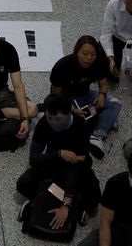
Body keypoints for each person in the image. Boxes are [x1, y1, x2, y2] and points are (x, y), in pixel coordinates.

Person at [16, 94, 101, 229]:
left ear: (68, 114)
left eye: (58, 119)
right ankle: (39, 200)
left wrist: (66, 205)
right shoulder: (44, 124)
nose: (53, 121)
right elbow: (34, 159)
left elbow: (77, 163)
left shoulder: (80, 125)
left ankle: (74, 205)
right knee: (23, 183)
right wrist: (60, 153)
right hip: (54, 162)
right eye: (50, 117)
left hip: (77, 168)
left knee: (94, 196)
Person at [49, 35, 121, 159]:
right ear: (76, 52)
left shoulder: (98, 63)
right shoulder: (63, 66)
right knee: (81, 119)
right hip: (67, 97)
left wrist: (102, 95)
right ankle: (104, 119)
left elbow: (103, 84)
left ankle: (98, 135)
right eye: (85, 53)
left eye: (92, 54)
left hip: (86, 93)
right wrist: (71, 108)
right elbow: (55, 95)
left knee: (115, 104)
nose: (89, 58)